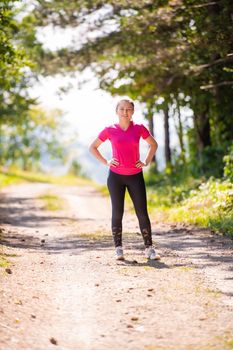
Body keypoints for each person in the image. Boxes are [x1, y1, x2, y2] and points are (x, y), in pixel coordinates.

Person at [89, 99, 160, 261]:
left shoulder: (139, 128)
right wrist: (106, 161)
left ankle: (149, 249)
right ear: (117, 111)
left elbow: (153, 145)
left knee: (142, 213)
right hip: (115, 177)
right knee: (117, 212)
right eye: (122, 109)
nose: (125, 112)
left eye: (128, 109)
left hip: (135, 176)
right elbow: (92, 147)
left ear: (133, 112)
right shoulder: (110, 130)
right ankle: (118, 249)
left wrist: (146, 161)